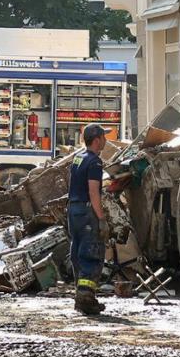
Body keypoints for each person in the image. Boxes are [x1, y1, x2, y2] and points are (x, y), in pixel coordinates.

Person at [68, 124, 111, 316]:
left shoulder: (78, 158)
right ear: (97, 139)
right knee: (91, 252)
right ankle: (86, 297)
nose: (106, 140)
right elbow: (94, 192)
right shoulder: (95, 162)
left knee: (77, 251)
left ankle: (81, 296)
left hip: (73, 210)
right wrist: (101, 218)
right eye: (104, 137)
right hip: (86, 211)